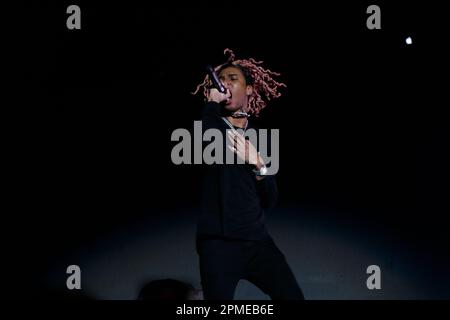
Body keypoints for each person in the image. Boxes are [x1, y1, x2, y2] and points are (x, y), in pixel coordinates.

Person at [191, 49, 304, 300]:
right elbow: (210, 141)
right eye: (220, 80)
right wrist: (211, 103)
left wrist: (258, 164)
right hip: (217, 245)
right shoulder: (210, 123)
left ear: (250, 89)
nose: (225, 83)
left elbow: (270, 199)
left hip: (257, 243)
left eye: (233, 78)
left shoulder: (260, 139)